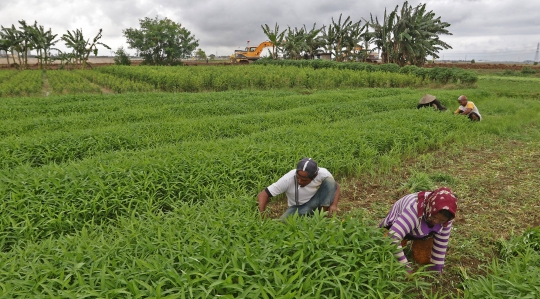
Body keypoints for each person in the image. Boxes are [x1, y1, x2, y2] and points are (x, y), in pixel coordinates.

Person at [379, 187, 458, 274]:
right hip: (397, 224)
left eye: (441, 220)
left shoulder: (447, 217)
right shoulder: (414, 210)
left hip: (422, 229)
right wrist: (404, 266)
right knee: (387, 251)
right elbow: (392, 237)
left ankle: (418, 238)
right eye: (434, 217)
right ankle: (403, 239)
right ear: (430, 209)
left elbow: (441, 242)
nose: (436, 221)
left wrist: (437, 269)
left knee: (423, 258)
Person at [257, 157, 340, 221]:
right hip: (298, 208)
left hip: (315, 202)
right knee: (282, 221)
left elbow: (335, 186)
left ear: (314, 176)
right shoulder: (287, 179)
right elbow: (263, 194)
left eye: (304, 180)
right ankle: (312, 216)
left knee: (330, 181)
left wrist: (334, 204)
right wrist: (262, 218)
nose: (300, 181)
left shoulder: (323, 173)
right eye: (298, 178)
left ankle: (322, 216)